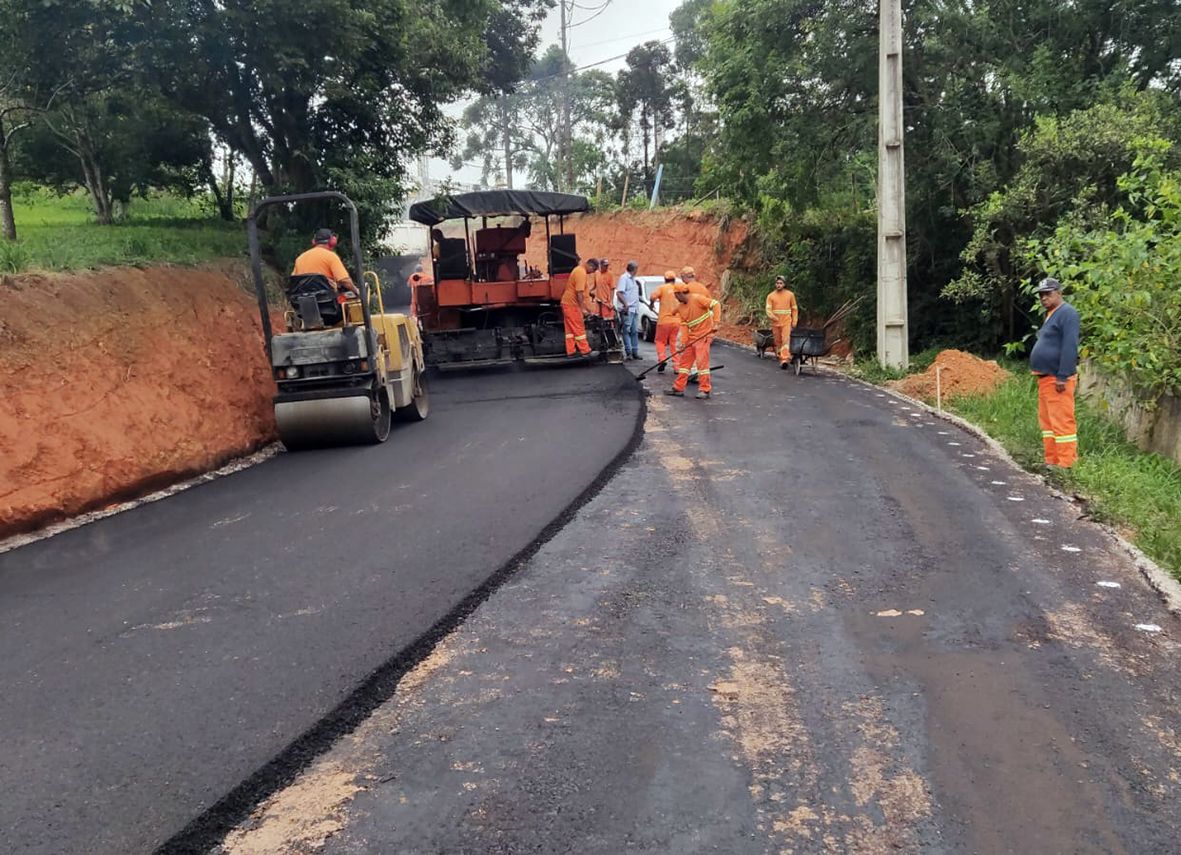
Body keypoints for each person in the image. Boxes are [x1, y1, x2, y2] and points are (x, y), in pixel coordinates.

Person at [1029, 277, 1080, 467]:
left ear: (1059, 293)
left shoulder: (1067, 313)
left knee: (1062, 422)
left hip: (1057, 379)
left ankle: (1066, 464)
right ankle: (1051, 461)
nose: (1044, 298)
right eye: (1041, 295)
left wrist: (1063, 375)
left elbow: (1070, 346)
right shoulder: (1051, 314)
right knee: (1048, 423)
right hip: (1045, 378)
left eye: (1048, 294)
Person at [665, 283, 719, 399]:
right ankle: (678, 388)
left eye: (675, 295)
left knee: (701, 363)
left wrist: (716, 322)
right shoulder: (681, 307)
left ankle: (705, 390)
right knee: (684, 364)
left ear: (679, 294)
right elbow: (684, 326)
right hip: (692, 338)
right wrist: (684, 343)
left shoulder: (697, 299)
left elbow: (716, 304)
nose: (675, 298)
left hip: (704, 336)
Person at [679, 266, 719, 381]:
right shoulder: (702, 288)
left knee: (690, 350)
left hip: (698, 329)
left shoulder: (686, 289)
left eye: (682, 277)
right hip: (706, 326)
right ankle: (694, 372)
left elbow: (687, 310)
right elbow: (711, 305)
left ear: (684, 277)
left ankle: (697, 377)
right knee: (700, 354)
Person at [291, 228, 355, 294]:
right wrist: (356, 291)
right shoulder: (331, 256)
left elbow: (293, 281)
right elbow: (344, 280)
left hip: (302, 300)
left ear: (314, 241)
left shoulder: (300, 258)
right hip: (326, 300)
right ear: (332, 242)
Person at [562, 257, 598, 357]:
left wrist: (589, 293)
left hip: (567, 303)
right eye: (593, 270)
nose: (592, 272)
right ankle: (585, 350)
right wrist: (583, 309)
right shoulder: (581, 273)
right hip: (572, 305)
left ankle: (571, 351)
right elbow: (579, 292)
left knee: (570, 330)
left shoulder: (578, 270)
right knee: (578, 328)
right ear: (590, 265)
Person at [765, 275, 799, 369]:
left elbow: (794, 309)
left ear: (784, 284)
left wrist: (794, 321)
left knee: (785, 340)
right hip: (775, 323)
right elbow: (768, 309)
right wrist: (773, 317)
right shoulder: (771, 296)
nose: (778, 285)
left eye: (780, 283)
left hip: (786, 322)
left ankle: (784, 360)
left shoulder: (790, 295)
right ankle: (781, 356)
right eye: (777, 283)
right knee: (778, 341)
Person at [651, 270, 682, 372]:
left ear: (665, 280)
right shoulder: (678, 289)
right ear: (674, 279)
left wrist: (651, 304)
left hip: (664, 321)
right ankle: (677, 367)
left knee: (660, 341)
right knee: (674, 344)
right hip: (677, 321)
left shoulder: (662, 288)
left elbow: (652, 297)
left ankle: (662, 359)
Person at [615, 260, 642, 360]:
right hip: (627, 309)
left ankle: (635, 352)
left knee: (634, 331)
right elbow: (619, 293)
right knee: (626, 330)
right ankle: (629, 352)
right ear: (634, 269)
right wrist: (626, 304)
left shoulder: (633, 279)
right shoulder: (624, 278)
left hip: (634, 309)